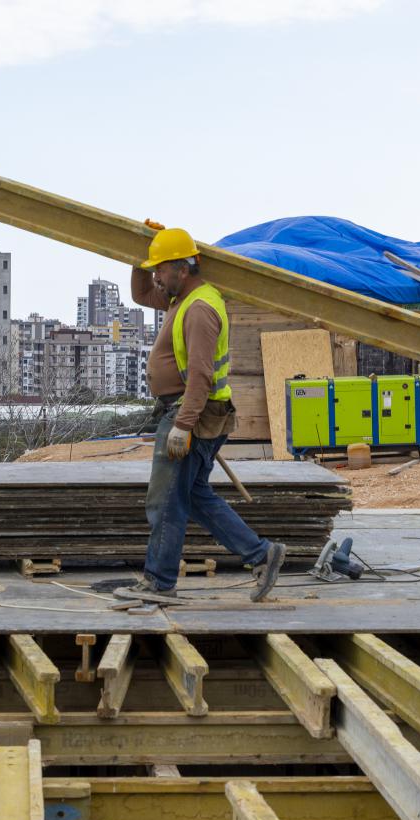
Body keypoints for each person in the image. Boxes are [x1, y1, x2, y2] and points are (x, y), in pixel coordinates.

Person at [116, 224, 285, 602]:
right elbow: (141, 293)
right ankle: (261, 554)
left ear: (183, 268)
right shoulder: (180, 298)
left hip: (193, 414)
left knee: (165, 501)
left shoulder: (199, 309)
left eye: (161, 269)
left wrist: (183, 425)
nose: (156, 278)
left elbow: (200, 375)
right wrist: (140, 252)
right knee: (192, 496)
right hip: (196, 412)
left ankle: (159, 582)